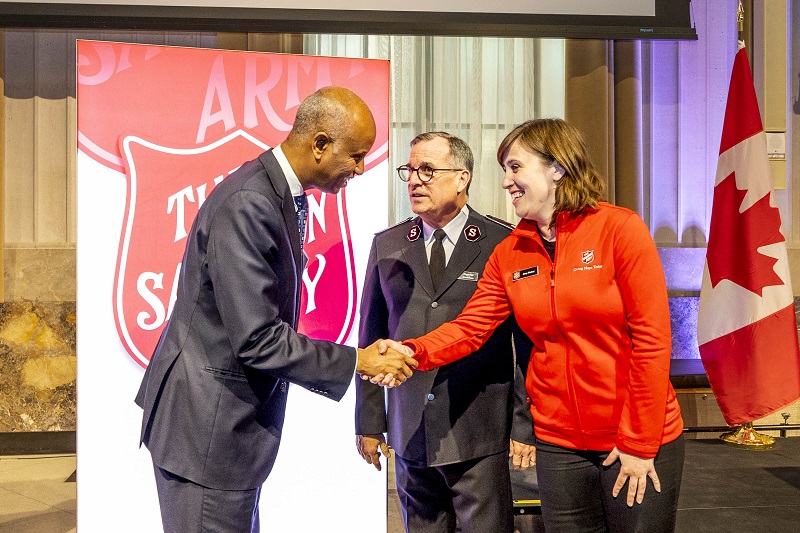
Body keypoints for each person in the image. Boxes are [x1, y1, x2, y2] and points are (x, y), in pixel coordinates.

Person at [135, 86, 417, 533]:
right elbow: (257, 338)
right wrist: (357, 360)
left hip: (224, 432)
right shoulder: (251, 201)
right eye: (356, 156)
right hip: (206, 432)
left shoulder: (278, 191)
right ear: (320, 144)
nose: (361, 169)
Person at [390, 119, 685, 532]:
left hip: (631, 440)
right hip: (559, 446)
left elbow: (653, 341)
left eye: (515, 167)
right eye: (505, 170)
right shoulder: (510, 251)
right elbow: (471, 327)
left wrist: (638, 441)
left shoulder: (620, 229)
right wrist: (412, 351)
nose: (507, 181)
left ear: (557, 169)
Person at [355, 132, 535, 533]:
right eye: (410, 170)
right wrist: (369, 421)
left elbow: (525, 342)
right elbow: (369, 336)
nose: (414, 180)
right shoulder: (388, 244)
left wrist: (525, 424)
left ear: (462, 178)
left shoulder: (502, 241)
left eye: (428, 170)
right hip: (410, 428)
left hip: (478, 428)